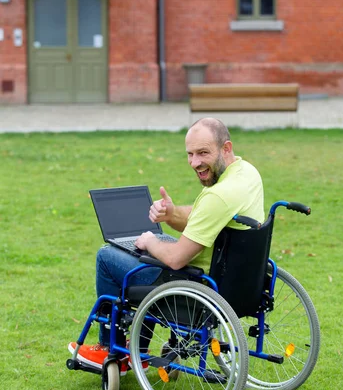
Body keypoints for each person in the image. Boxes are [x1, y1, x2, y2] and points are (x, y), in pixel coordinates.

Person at [68, 117, 265, 369]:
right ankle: (136, 348)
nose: (195, 162)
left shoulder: (218, 195)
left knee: (108, 256)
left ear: (226, 148)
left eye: (203, 153)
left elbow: (175, 259)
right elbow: (202, 217)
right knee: (149, 251)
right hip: (236, 282)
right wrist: (171, 214)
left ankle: (111, 349)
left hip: (194, 286)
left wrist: (150, 241)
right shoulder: (246, 174)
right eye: (190, 154)